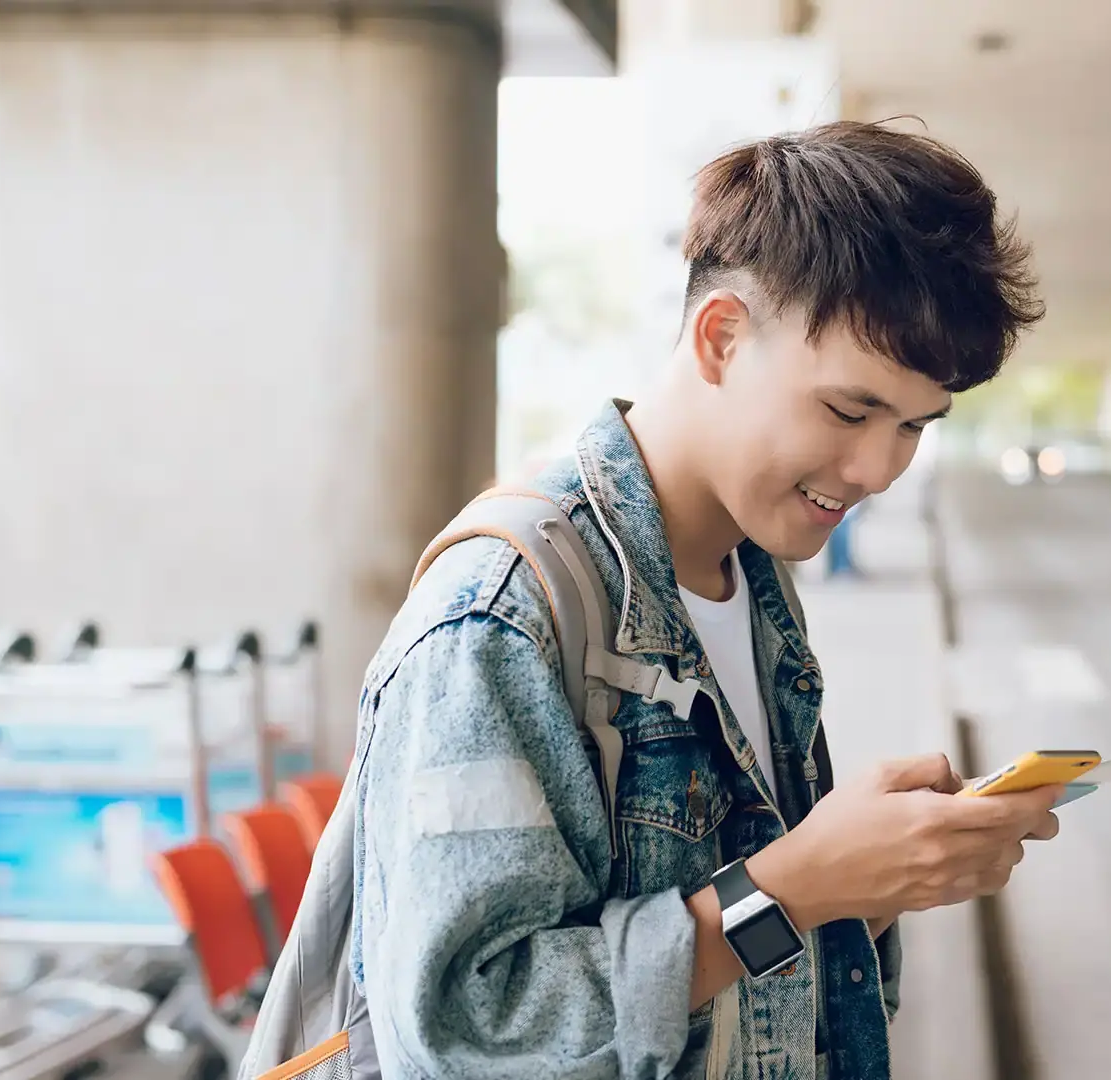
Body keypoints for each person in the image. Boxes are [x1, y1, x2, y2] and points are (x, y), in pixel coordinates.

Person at [353, 121, 1052, 1080]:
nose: (879, 467)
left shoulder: (753, 579)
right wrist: (799, 888)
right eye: (850, 410)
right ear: (721, 337)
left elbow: (745, 970)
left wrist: (867, 880)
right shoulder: (502, 614)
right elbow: (466, 1030)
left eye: (916, 426)